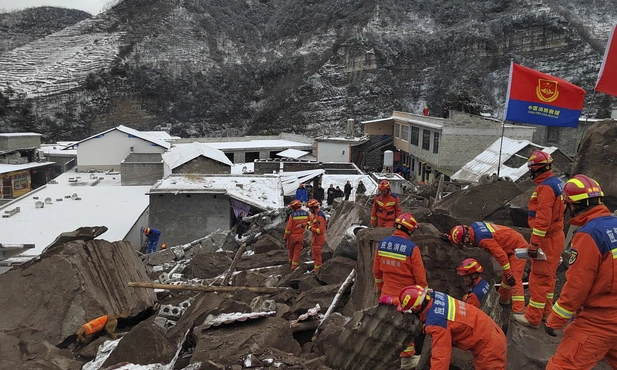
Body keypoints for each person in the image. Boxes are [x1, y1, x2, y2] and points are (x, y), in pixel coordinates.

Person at [545, 175, 617, 369]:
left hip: (600, 321)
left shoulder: (589, 234)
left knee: (561, 366)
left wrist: (555, 320)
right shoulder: (614, 225)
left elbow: (578, 285)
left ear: (572, 205)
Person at [397, 285, 507, 370]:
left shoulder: (437, 324)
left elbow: (440, 361)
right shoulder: (435, 296)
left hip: (489, 347)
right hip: (489, 333)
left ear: (416, 310)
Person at [513, 150, 565, 328]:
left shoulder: (545, 188)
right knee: (549, 278)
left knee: (538, 278)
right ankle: (545, 313)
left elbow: (543, 220)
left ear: (535, 169)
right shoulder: (556, 183)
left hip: (547, 239)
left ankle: (533, 317)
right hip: (556, 236)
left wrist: (534, 244)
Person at [374, 213, 427, 369]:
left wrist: (381, 290)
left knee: (387, 325)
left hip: (386, 294)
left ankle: (385, 357)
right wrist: (424, 295)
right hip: (407, 297)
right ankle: (406, 361)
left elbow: (377, 273)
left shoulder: (382, 244)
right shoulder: (412, 249)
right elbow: (420, 278)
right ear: (409, 230)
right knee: (406, 329)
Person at [447, 222, 524, 314]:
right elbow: (460, 235)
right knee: (506, 277)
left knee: (514, 278)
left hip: (518, 247)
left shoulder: (483, 239)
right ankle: (503, 299)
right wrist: (450, 238)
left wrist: (509, 273)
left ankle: (518, 311)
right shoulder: (473, 228)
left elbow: (501, 256)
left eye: (464, 241)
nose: (465, 244)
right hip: (510, 241)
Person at [283, 200, 309, 270]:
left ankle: (291, 264)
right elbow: (310, 223)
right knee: (297, 252)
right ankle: (294, 267)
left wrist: (285, 237)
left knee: (291, 251)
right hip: (300, 235)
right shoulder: (306, 214)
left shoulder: (292, 215)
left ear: (294, 207)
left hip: (292, 236)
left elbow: (288, 228)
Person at [307, 199, 326, 272]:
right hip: (315, 238)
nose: (309, 210)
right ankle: (316, 270)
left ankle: (317, 271)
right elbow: (311, 222)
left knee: (317, 255)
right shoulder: (314, 214)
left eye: (310, 208)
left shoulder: (320, 216)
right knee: (315, 255)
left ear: (314, 208)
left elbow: (320, 230)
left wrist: (311, 228)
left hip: (318, 239)